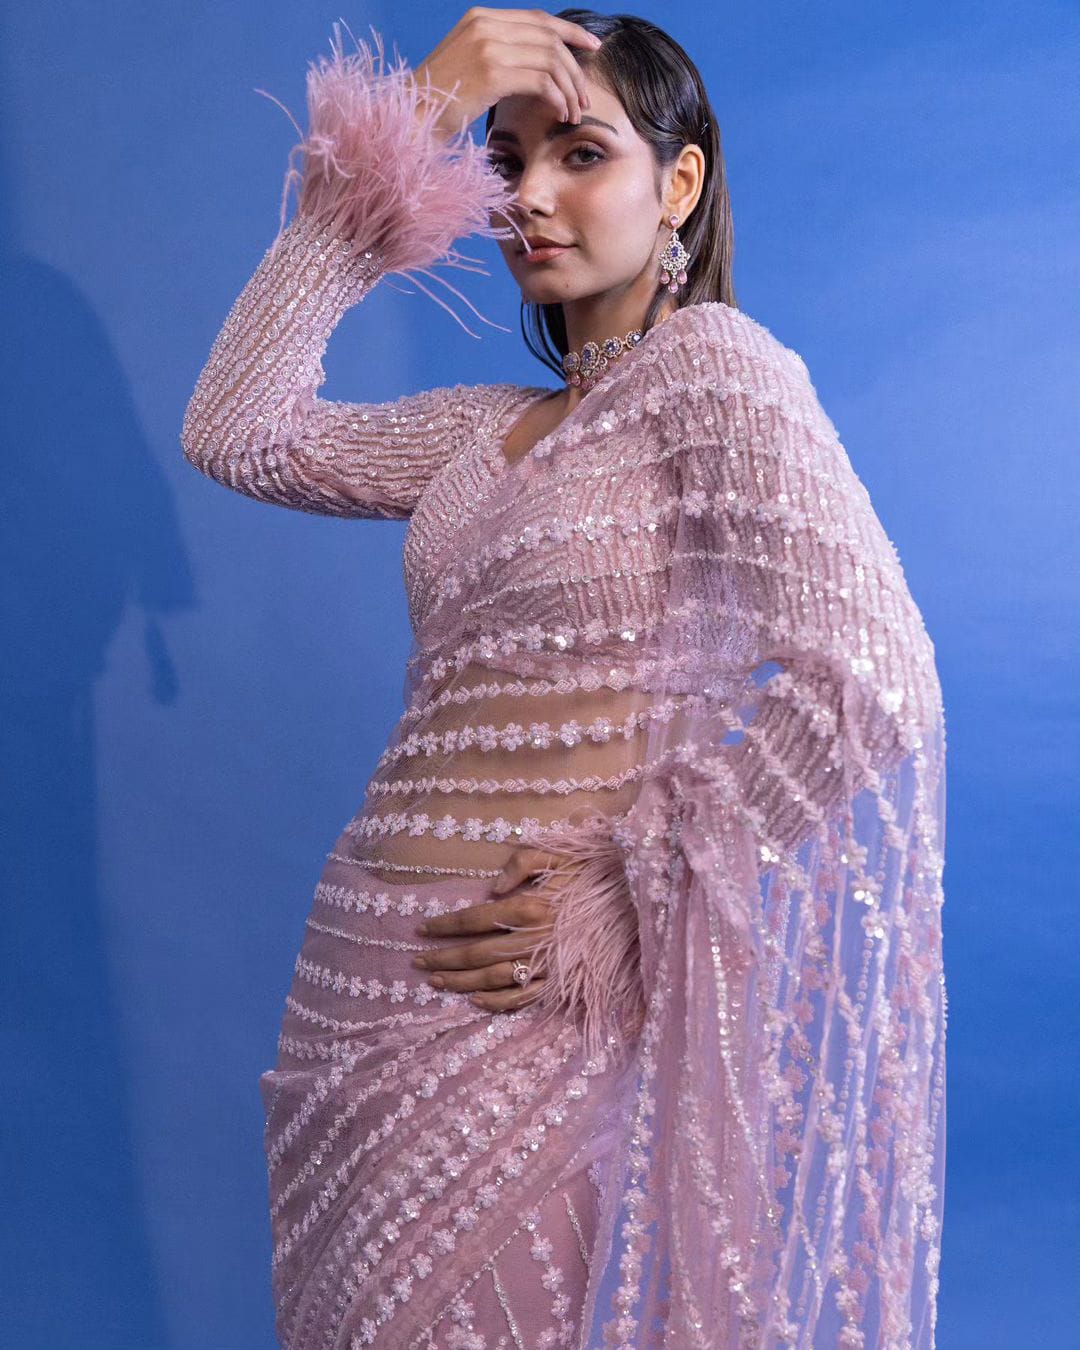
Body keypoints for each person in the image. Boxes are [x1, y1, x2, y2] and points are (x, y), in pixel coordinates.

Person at [180, 8, 948, 1347]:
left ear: (681, 184)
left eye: (581, 153)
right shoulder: (480, 430)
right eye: (503, 158)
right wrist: (411, 122)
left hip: (530, 1001)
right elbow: (236, 430)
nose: (527, 195)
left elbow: (872, 678)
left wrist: (626, 888)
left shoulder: (713, 371)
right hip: (357, 994)